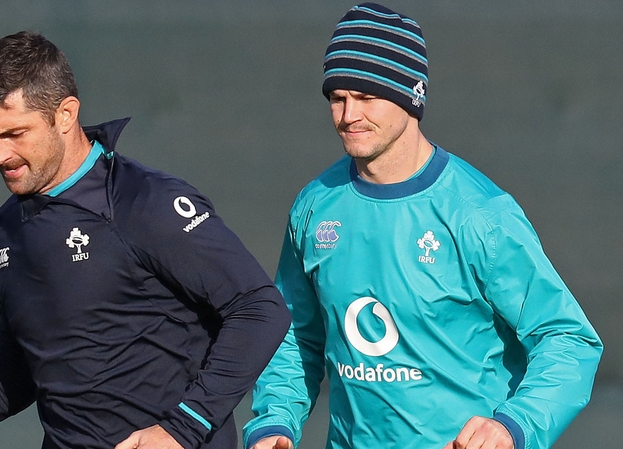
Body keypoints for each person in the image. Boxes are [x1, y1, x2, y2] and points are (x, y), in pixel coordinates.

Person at [0, 31, 291, 449]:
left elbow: (259, 308)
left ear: (65, 114)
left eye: (15, 133)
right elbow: (28, 353)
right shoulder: (7, 228)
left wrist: (182, 428)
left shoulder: (147, 203)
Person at [242, 3, 603, 449]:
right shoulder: (315, 206)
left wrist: (513, 426)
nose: (348, 115)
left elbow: (568, 339)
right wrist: (275, 421)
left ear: (410, 96)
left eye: (367, 96)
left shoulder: (480, 215)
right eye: (337, 97)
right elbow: (296, 333)